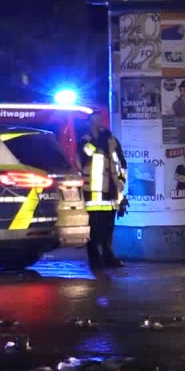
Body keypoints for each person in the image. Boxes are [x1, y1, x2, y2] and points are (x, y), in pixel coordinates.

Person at [79, 112, 127, 269]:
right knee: (94, 228)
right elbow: (87, 154)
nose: (100, 123)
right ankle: (95, 259)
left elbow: (121, 163)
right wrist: (99, 139)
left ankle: (108, 256)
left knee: (108, 228)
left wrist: (121, 184)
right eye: (96, 120)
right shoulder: (85, 140)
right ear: (89, 123)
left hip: (110, 192)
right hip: (92, 193)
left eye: (101, 120)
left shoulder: (112, 140)